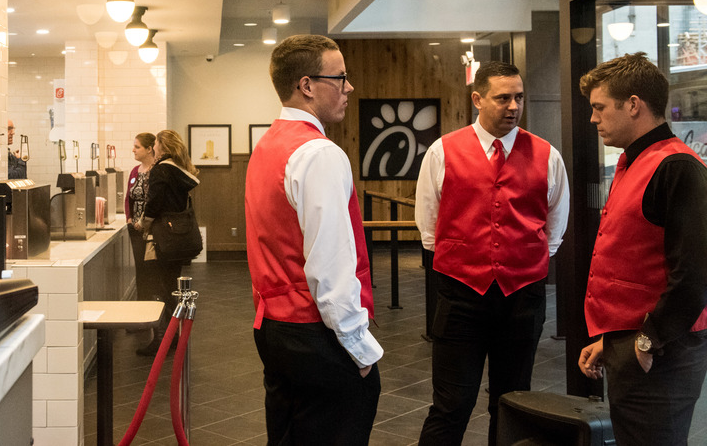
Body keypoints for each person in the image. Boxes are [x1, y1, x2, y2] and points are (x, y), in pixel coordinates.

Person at [415, 60, 569, 446]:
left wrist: (523, 262)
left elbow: (554, 228)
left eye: (519, 97)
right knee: (452, 403)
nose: (513, 106)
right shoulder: (442, 152)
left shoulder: (547, 155)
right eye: (503, 98)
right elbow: (430, 227)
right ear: (477, 99)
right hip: (460, 294)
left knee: (514, 400)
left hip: (523, 296)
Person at [245, 34, 382, 444]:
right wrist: (359, 347)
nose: (349, 87)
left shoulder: (269, 144)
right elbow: (330, 266)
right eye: (340, 77)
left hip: (273, 325)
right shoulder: (318, 153)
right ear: (306, 85)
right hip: (314, 333)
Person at [577, 52, 707, 446]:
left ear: (633, 105)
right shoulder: (633, 162)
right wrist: (610, 338)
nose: (593, 118)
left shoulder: (677, 167)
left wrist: (647, 340)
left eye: (599, 108)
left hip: (662, 350)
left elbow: (696, 273)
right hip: (634, 341)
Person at [137, 129, 200, 356]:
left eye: (155, 145)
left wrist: (143, 223)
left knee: (161, 287)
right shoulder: (179, 169)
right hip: (178, 236)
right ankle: (175, 334)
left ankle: (164, 338)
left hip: (163, 236)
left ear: (161, 146)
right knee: (171, 285)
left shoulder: (161, 169)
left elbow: (154, 202)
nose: (153, 148)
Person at [124, 133, 157, 307]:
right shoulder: (134, 171)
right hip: (135, 229)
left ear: (149, 149)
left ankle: (155, 307)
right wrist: (129, 218)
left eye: (137, 147)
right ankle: (142, 306)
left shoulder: (158, 170)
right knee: (140, 269)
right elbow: (128, 197)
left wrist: (145, 222)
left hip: (153, 229)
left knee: (152, 268)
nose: (133, 150)